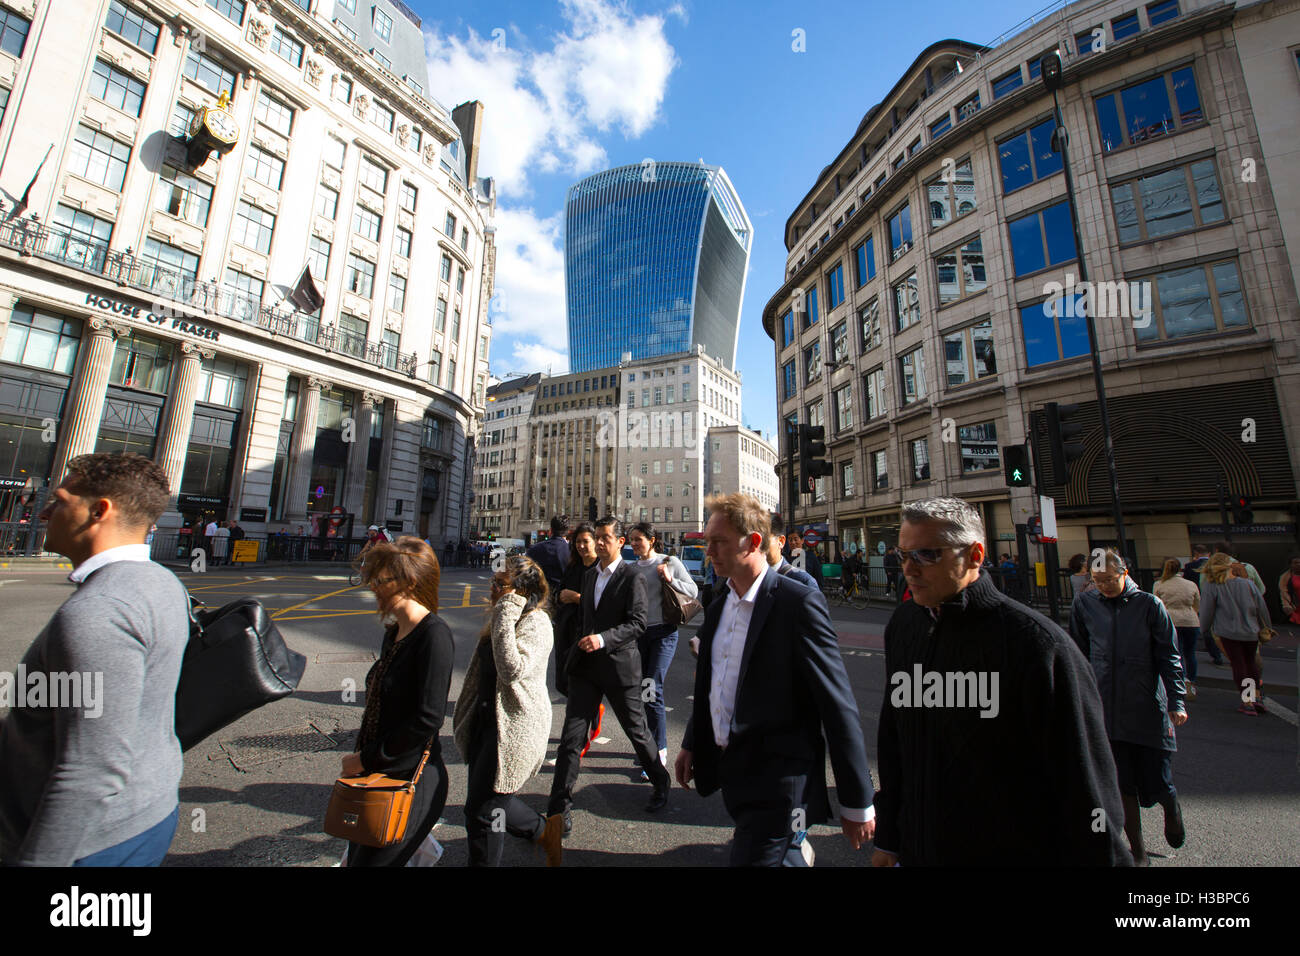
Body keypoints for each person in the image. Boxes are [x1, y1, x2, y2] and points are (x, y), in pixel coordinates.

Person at [873, 497, 1130, 866]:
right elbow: (895, 741)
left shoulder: (1036, 643)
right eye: (903, 556)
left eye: (927, 555)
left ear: (975, 555)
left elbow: (1085, 784)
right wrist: (889, 839)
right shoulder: (904, 625)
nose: (909, 569)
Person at [0, 453, 189, 865]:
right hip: (146, 810)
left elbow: (91, 771)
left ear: (99, 511)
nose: (46, 510)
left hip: (93, 841)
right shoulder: (162, 581)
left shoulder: (98, 611)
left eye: (61, 499)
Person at [676, 493, 874, 867]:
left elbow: (837, 704)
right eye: (707, 543)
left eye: (717, 542)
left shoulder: (796, 603)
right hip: (734, 772)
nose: (709, 552)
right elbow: (713, 685)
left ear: (753, 543)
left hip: (780, 780)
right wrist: (691, 742)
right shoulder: (719, 606)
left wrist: (857, 800)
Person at [547, 516, 671, 837]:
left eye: (606, 538)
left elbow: (638, 623)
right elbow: (586, 618)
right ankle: (559, 808)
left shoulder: (632, 577)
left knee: (637, 732)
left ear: (619, 543)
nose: (600, 543)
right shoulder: (590, 576)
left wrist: (602, 638)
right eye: (597, 538)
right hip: (586, 669)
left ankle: (660, 780)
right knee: (572, 738)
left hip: (619, 668)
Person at [1071, 550, 1187, 866]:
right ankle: (1137, 852)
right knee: (1122, 784)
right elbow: (1079, 652)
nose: (1104, 586)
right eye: (1097, 581)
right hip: (1106, 703)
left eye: (1109, 579)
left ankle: (1170, 805)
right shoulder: (1085, 604)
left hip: (1146, 702)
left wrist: (1176, 700)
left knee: (1158, 778)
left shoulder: (1150, 605)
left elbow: (1170, 656)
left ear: (1124, 573)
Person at [344, 537, 455, 866]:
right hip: (375, 777)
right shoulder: (393, 633)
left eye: (381, 580)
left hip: (410, 783)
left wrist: (365, 758)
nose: (373, 587)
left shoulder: (434, 636)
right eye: (372, 579)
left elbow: (427, 719)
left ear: (409, 582)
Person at [452, 556, 561, 867]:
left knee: (483, 812)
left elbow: (512, 670)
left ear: (520, 593)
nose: (493, 589)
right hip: (487, 721)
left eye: (501, 585)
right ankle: (543, 829)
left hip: (515, 726)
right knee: (491, 800)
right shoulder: (506, 616)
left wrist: (505, 611)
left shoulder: (536, 623)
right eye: (494, 581)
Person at [626, 522, 698, 771]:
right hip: (639, 636)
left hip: (664, 634)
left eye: (638, 539)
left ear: (652, 540)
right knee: (642, 693)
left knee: (652, 688)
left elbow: (692, 590)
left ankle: (659, 751)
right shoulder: (631, 568)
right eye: (631, 540)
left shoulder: (669, 562)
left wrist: (670, 579)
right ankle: (648, 745)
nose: (634, 543)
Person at [1199, 553, 1272, 716]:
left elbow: (1206, 612)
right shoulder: (1247, 584)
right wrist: (1266, 626)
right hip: (1251, 630)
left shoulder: (1212, 586)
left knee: (1239, 664)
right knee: (1250, 662)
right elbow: (1262, 607)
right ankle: (1256, 697)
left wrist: (1204, 629)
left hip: (1228, 631)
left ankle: (1247, 702)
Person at [552, 522, 598, 698]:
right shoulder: (573, 566)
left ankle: (591, 717)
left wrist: (577, 598)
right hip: (566, 629)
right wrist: (560, 596)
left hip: (588, 632)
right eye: (578, 541)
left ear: (595, 542)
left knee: (583, 684)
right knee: (565, 681)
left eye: (586, 541)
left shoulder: (601, 568)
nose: (581, 546)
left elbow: (607, 603)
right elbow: (559, 592)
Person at [1154, 558, 1202, 699]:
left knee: (1176, 653)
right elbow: (1197, 602)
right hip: (1191, 621)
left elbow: (1157, 605)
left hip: (1171, 621)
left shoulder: (1159, 584)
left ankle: (1180, 681)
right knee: (1190, 653)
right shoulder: (1190, 584)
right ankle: (1191, 682)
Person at [1182, 544, 1225, 665]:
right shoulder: (1217, 565)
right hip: (1219, 600)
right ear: (1209, 554)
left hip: (1201, 601)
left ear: (1195, 554)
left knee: (1207, 628)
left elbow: (1188, 586)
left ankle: (1216, 655)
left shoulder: (1190, 567)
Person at [527, 514, 572, 597]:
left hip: (538, 597)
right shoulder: (572, 552)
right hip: (562, 598)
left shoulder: (534, 549)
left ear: (550, 531)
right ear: (568, 532)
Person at [1280, 557, 1300, 628]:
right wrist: (1286, 605)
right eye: (1295, 563)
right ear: (1290, 565)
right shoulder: (1285, 577)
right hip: (1295, 606)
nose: (1298, 564)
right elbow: (1283, 592)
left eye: (1299, 562)